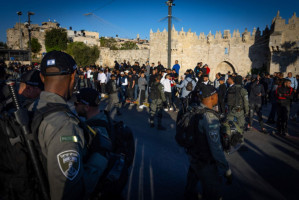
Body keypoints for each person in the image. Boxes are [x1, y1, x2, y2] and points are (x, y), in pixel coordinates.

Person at [36, 51, 108, 199]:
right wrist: (100, 160)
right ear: (74, 76)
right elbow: (68, 192)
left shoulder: (33, 108)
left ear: (42, 77)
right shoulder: (64, 126)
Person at [182, 85, 232, 200]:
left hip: (194, 157)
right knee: (213, 193)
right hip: (205, 162)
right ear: (211, 97)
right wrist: (226, 169)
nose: (217, 97)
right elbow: (216, 148)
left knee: (190, 189)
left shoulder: (194, 109)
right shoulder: (209, 118)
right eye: (216, 95)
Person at [225, 75, 249, 140]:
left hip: (231, 111)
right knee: (241, 126)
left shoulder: (229, 89)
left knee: (228, 126)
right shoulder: (243, 90)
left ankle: (228, 140)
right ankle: (241, 140)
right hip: (240, 111)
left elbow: (225, 100)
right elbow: (246, 102)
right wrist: (247, 112)